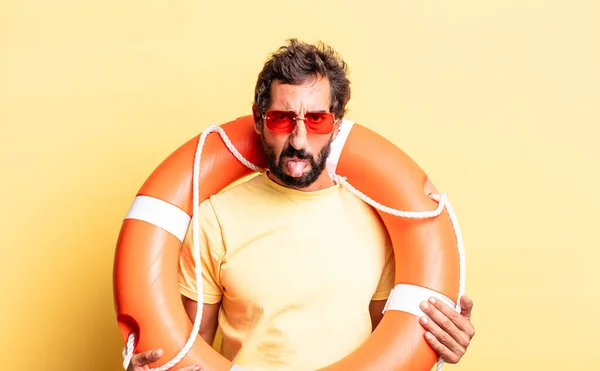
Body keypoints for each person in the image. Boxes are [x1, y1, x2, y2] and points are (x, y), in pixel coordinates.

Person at [127, 39, 475, 371]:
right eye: (282, 118)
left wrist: (440, 341)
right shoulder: (215, 219)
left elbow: (393, 344)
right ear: (260, 119)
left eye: (316, 119)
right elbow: (190, 349)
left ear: (337, 124)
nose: (299, 139)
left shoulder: (377, 218)